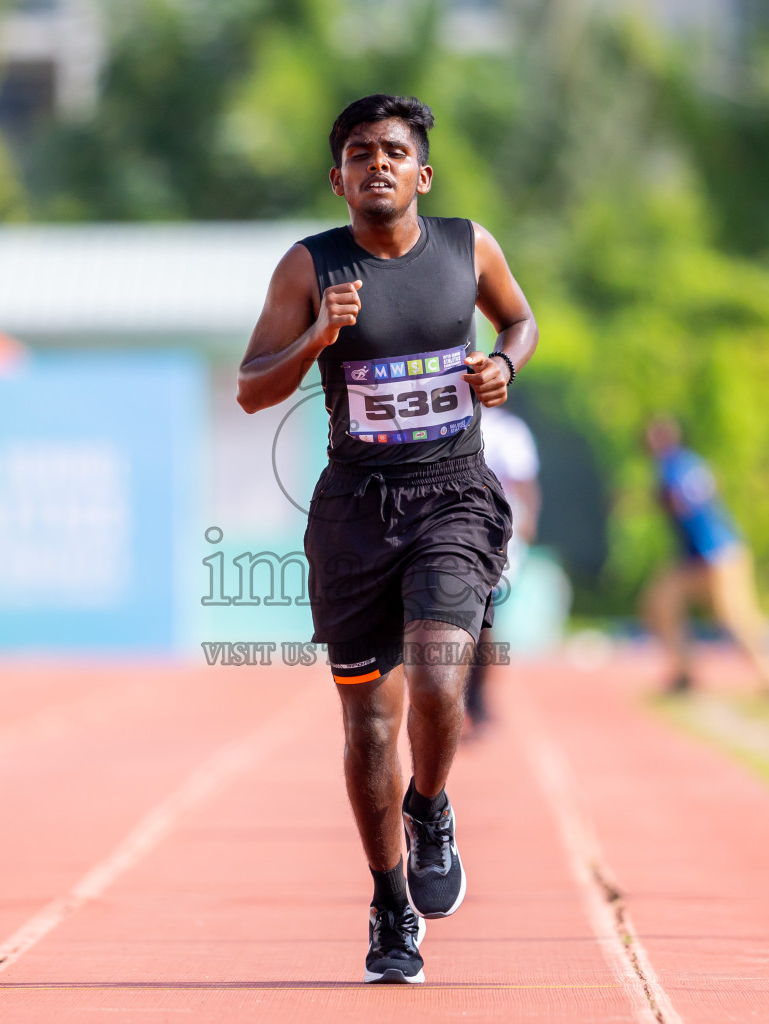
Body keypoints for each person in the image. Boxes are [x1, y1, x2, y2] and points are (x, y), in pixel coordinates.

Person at [237, 94, 536, 984]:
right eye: (360, 152)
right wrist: (320, 335)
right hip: (357, 514)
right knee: (370, 725)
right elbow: (253, 388)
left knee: (441, 679)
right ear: (338, 178)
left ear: (422, 173)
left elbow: (519, 318)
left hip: (453, 498)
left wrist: (504, 363)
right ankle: (389, 903)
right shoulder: (308, 267)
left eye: (394, 151)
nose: (378, 164)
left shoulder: (466, 246)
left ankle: (432, 806)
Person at [640, 415, 769, 697]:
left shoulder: (675, 466)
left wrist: (650, 501)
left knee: (736, 616)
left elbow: (682, 500)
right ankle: (684, 671)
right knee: (660, 602)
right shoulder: (686, 463)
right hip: (697, 557)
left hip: (718, 554)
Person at [464, 406, 541, 734]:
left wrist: (528, 524)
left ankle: (475, 698)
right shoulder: (459, 422)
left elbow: (525, 483)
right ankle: (466, 698)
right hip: (456, 530)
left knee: (484, 620)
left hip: (497, 533)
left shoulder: (511, 431)